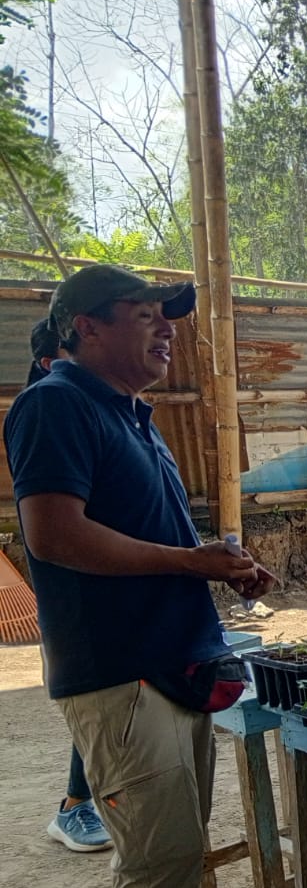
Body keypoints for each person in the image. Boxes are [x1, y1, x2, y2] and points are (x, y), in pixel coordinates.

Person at [5, 264, 279, 888]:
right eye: (145, 315)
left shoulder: (132, 414)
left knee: (177, 844)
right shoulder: (55, 405)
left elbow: (145, 535)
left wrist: (220, 565)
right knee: (156, 857)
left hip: (172, 660)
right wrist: (191, 562)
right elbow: (55, 536)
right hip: (118, 672)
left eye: (169, 317)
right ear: (85, 327)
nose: (166, 329)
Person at [23, 318, 111, 852]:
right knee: (96, 697)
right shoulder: (48, 409)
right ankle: (75, 804)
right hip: (82, 602)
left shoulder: (99, 409)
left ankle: (85, 800)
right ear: (49, 361)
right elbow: (56, 534)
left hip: (114, 597)